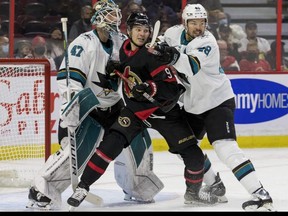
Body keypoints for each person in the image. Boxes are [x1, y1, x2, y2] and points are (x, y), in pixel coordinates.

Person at [67, 12, 217, 209]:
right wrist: (116, 69)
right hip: (135, 112)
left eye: (146, 30)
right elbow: (131, 67)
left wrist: (150, 87)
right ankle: (83, 186)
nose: (143, 34)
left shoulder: (153, 54)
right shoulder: (124, 50)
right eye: (138, 29)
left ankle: (192, 194)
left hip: (164, 112)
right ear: (128, 31)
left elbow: (171, 88)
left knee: (194, 156)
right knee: (111, 144)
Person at [26, 0, 163, 210]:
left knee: (139, 143)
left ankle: (138, 186)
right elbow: (70, 80)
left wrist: (154, 51)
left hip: (115, 105)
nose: (115, 19)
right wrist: (72, 103)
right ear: (97, 19)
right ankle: (42, 191)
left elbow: (139, 58)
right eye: (109, 15)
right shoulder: (84, 43)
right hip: (91, 106)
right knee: (77, 153)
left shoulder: (121, 40)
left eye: (116, 14)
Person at [152, 3, 275, 211]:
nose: (199, 27)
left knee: (225, 148)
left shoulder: (207, 41)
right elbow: (161, 45)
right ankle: (215, 186)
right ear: (185, 22)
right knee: (186, 147)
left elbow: (190, 66)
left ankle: (261, 195)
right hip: (192, 104)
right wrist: (157, 47)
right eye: (194, 23)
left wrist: (168, 54)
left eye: (202, 22)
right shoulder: (173, 33)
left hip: (217, 101)